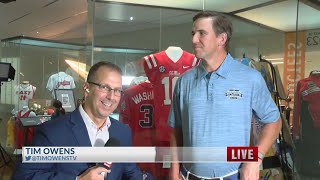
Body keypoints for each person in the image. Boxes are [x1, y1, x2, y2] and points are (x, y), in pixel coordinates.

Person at [168, 11, 282, 180]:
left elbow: (273, 121)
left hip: (233, 176)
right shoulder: (184, 81)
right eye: (193, 33)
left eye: (202, 33)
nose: (194, 40)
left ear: (222, 39)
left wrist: (255, 159)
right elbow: (177, 130)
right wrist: (173, 170)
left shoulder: (249, 78)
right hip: (189, 175)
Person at [12, 62, 145, 180]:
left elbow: (131, 172)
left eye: (117, 90)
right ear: (87, 88)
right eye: (105, 87)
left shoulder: (122, 132)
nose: (111, 96)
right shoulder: (52, 131)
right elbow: (23, 176)